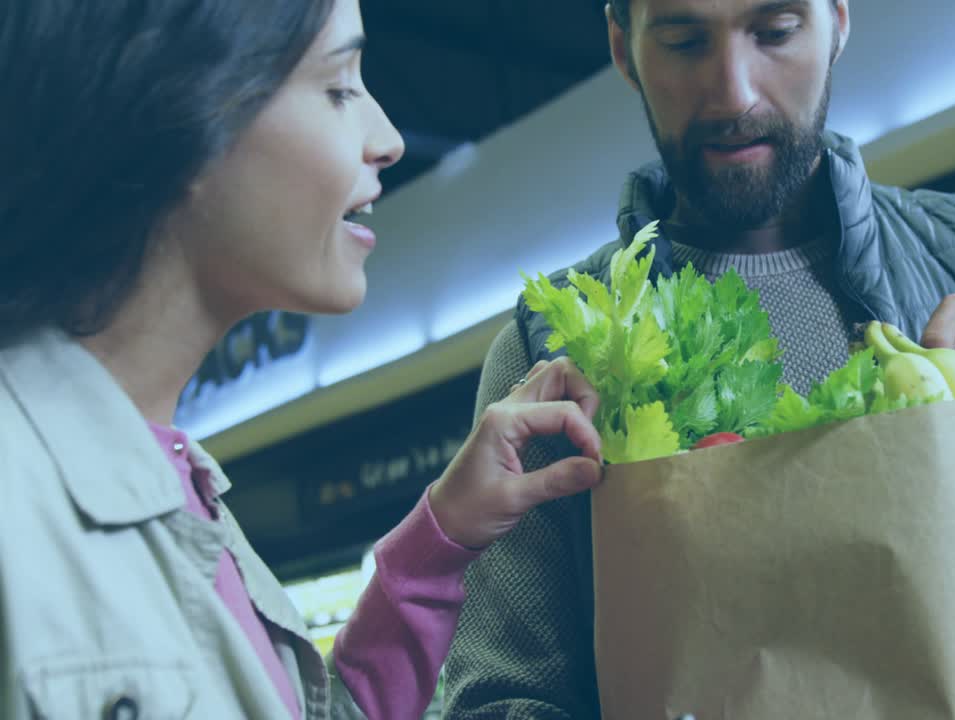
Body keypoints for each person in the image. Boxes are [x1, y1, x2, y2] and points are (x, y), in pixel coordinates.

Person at [442, 1, 955, 718]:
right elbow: (497, 693)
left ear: (837, 22)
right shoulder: (552, 348)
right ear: (624, 49)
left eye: (774, 29)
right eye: (685, 41)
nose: (733, 91)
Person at [0, 1, 604, 719]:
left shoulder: (182, 491)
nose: (386, 140)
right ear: (179, 106)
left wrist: (443, 534)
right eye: (339, 86)